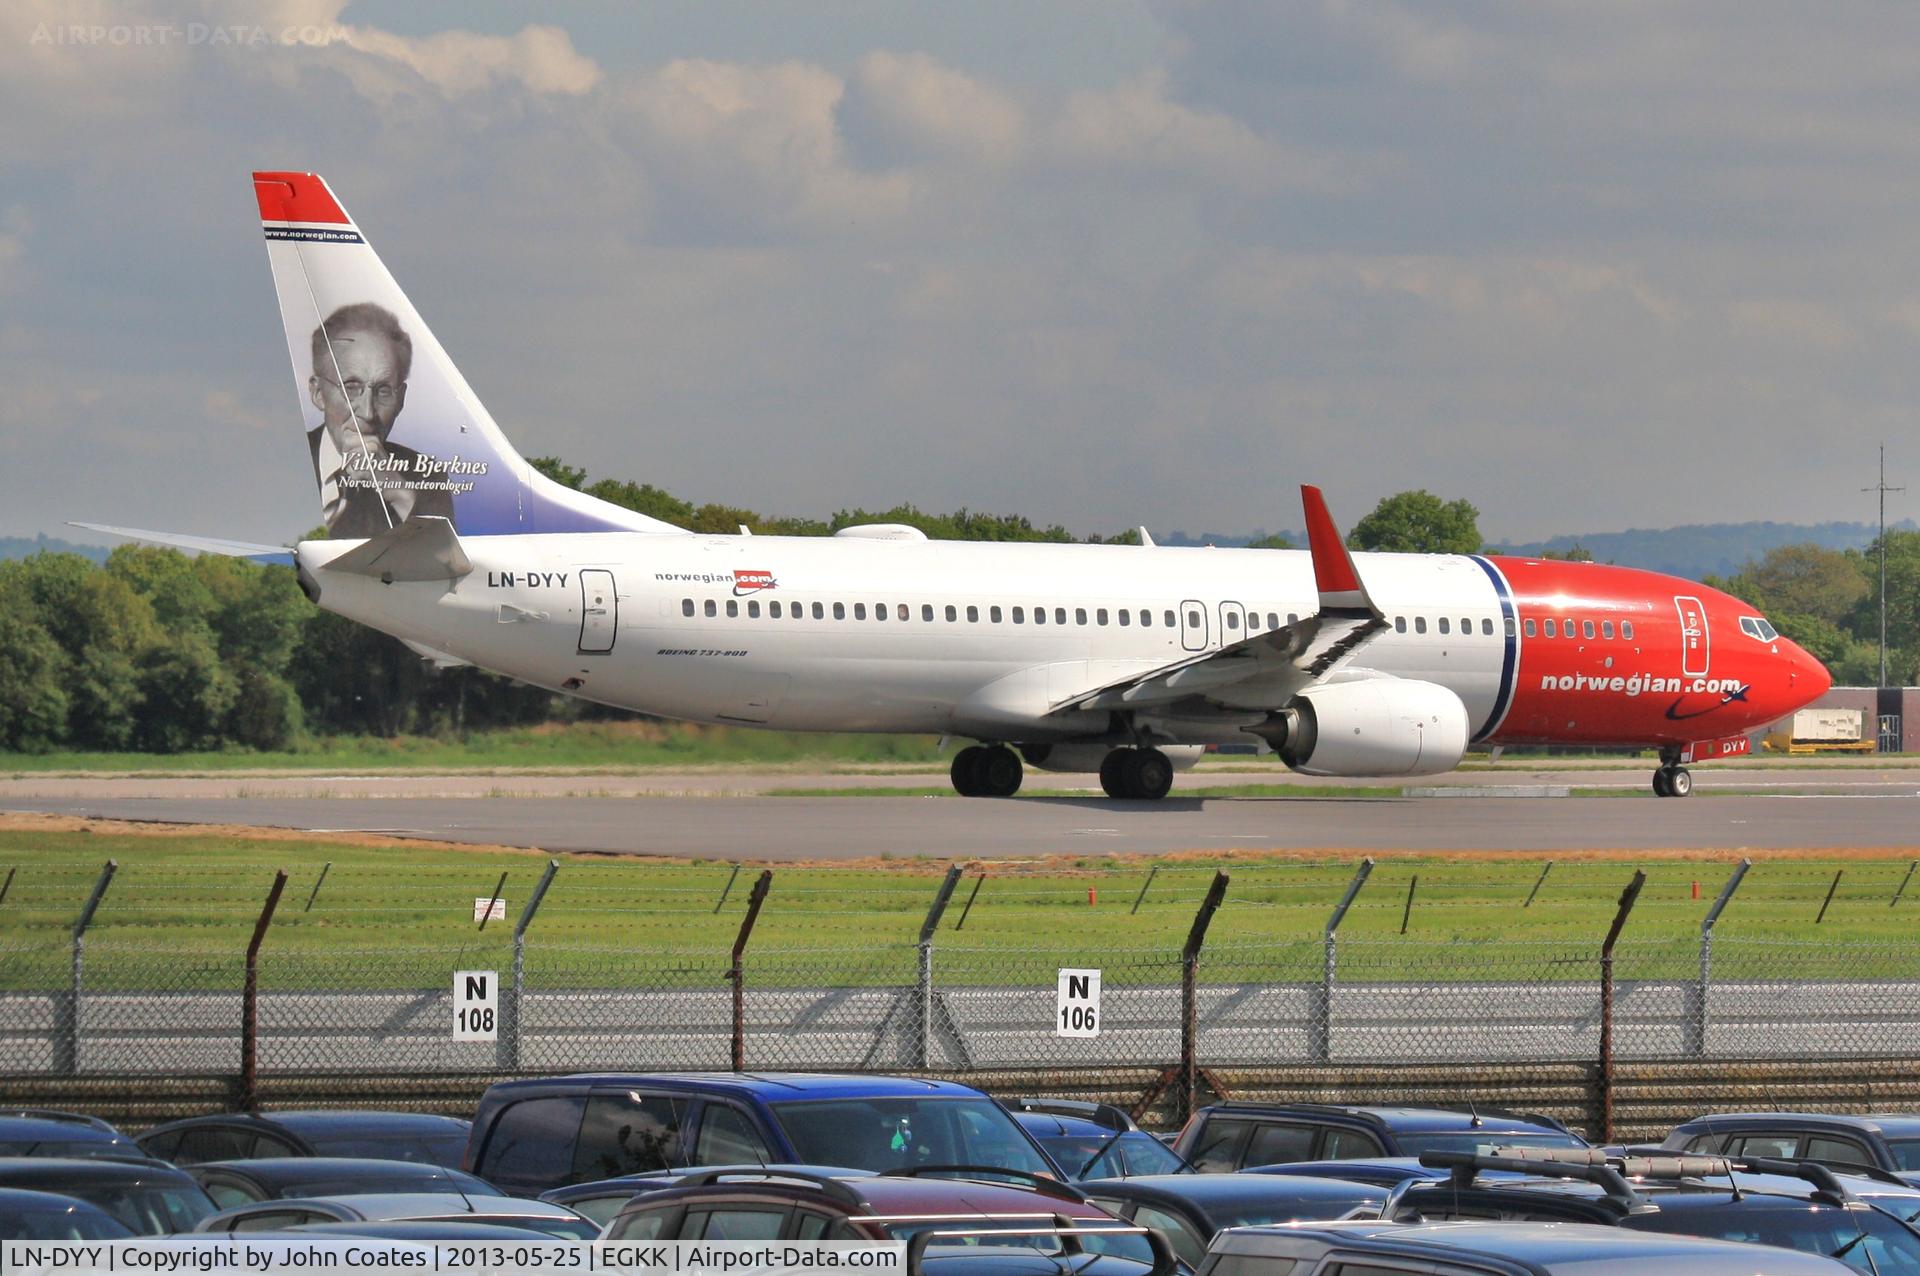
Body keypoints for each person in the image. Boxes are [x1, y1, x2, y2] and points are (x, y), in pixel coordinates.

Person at [305, 301, 455, 537]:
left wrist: (399, 493)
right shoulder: (290, 464)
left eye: (384, 391)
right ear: (317, 393)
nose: (368, 412)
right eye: (351, 387)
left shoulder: (424, 476)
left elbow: (441, 560)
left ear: (401, 399)